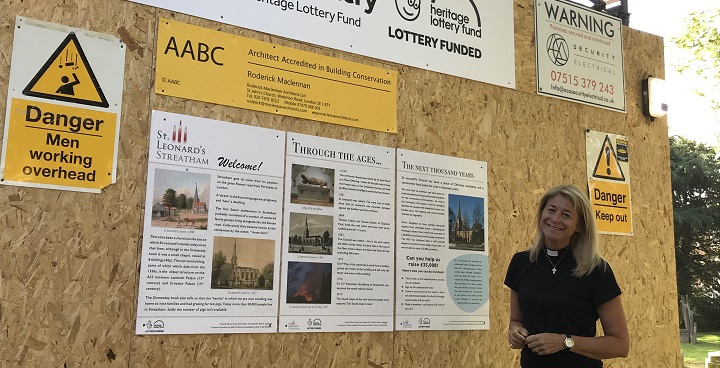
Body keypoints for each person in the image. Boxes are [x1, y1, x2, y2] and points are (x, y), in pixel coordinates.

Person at [504, 185, 629, 367]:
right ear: (541, 213)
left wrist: (564, 341)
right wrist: (515, 331)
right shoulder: (521, 262)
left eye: (566, 215)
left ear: (579, 225)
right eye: (551, 210)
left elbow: (620, 345)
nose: (555, 219)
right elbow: (516, 320)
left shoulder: (596, 270)